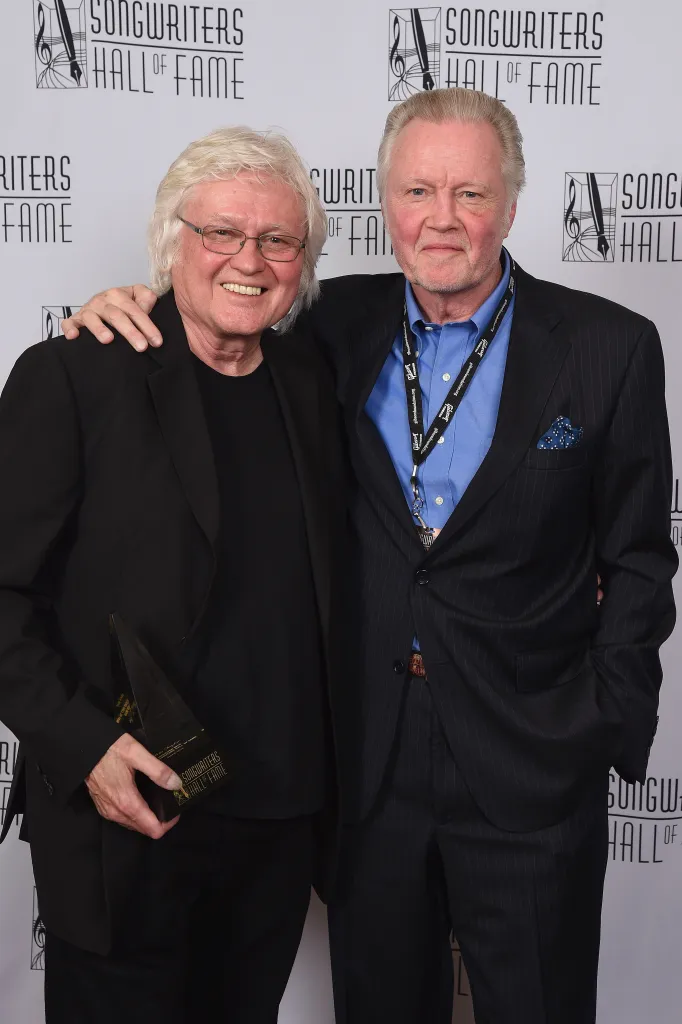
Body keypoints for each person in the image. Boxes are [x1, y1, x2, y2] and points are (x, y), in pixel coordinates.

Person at [62, 88, 677, 1024]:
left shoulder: (609, 349)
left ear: (511, 205)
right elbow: (218, 304)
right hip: (366, 766)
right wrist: (124, 305)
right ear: (384, 202)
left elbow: (639, 558)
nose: (443, 219)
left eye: (470, 194)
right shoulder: (326, 325)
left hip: (532, 760)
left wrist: (603, 719)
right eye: (419, 190)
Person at [0, 127, 346, 1024]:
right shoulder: (75, 375)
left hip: (277, 822)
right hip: (129, 814)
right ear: (172, 239)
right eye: (220, 232)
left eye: (277, 240)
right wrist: (85, 750)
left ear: (301, 260)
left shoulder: (316, 379)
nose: (249, 259)